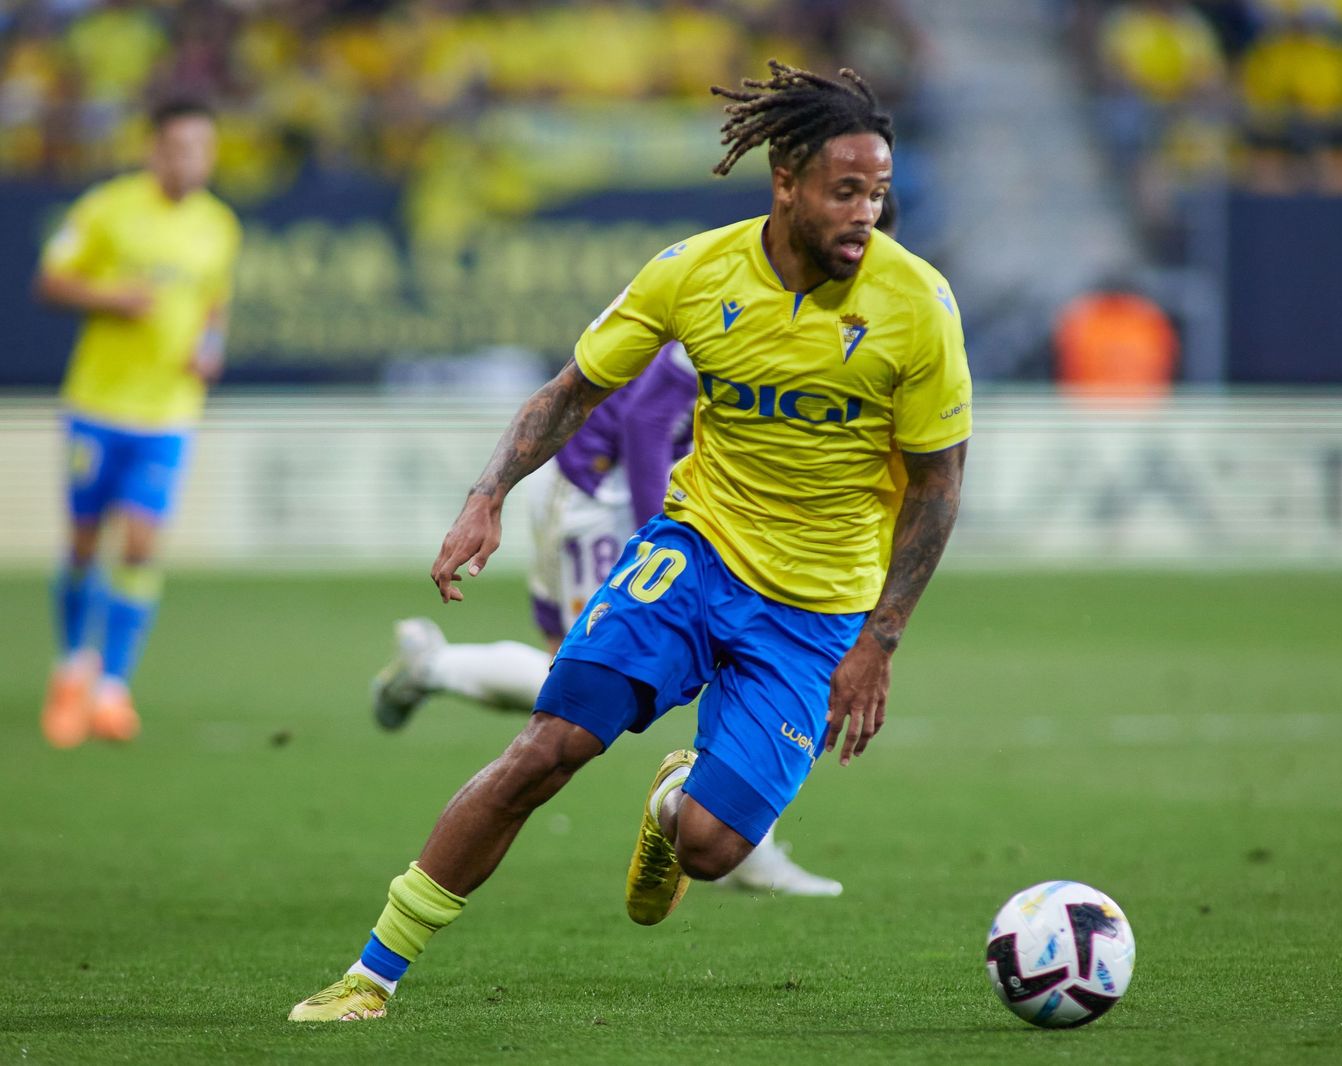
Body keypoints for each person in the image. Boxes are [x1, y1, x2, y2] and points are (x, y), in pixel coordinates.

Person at [288, 61, 969, 1021]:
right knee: (545, 749)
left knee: (709, 850)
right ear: (786, 181)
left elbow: (939, 485)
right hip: (694, 554)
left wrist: (881, 638)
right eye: (845, 190)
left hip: (819, 610)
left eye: (879, 192)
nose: (866, 212)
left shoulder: (919, 307)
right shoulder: (694, 271)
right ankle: (371, 976)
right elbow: (571, 392)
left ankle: (673, 806)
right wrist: (486, 497)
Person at [367, 194, 904, 898]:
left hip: (680, 495)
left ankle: (731, 830)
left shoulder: (867, 308)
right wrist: (678, 542)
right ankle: (436, 667)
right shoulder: (738, 284)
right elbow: (649, 420)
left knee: (692, 670)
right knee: (584, 684)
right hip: (605, 488)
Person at [35, 98, 241, 749]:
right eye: (179, 147)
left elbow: (214, 302)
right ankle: (71, 669)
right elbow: (51, 280)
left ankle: (112, 689)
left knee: (142, 546)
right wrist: (110, 296)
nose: (191, 161)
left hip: (169, 412)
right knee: (84, 544)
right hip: (98, 405)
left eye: (202, 149)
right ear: (155, 150)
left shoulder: (218, 225)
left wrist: (210, 346)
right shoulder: (108, 208)